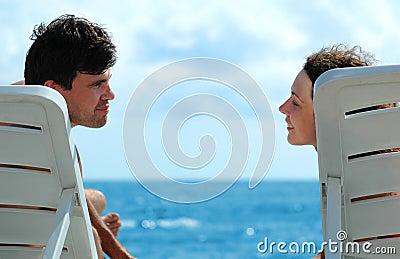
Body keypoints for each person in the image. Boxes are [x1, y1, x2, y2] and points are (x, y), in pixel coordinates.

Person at [23, 14, 135, 259]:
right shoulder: (55, 147)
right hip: (40, 244)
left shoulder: (13, 113)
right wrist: (116, 252)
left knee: (97, 199)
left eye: (108, 82)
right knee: (87, 229)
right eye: (97, 85)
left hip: (25, 220)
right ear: (53, 90)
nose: (110, 94)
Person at [279, 44, 379, 259]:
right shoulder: (373, 168)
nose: (283, 108)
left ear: (327, 114)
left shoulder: (360, 184)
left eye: (295, 102)